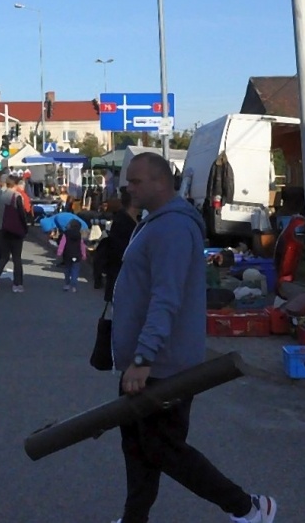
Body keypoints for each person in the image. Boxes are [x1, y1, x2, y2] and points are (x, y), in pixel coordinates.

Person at [110, 152, 276, 523]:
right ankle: (134, 519)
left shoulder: (171, 228)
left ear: (159, 181)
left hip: (162, 364)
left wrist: (143, 358)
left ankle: (249, 507)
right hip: (147, 359)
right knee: (138, 447)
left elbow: (166, 297)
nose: (128, 187)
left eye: (136, 181)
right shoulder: (156, 223)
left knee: (164, 448)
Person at [0, 174, 32, 294]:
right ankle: (17, 284)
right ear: (16, 184)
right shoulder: (16, 196)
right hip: (16, 230)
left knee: (4, 257)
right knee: (17, 258)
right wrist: (25, 229)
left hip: (3, 229)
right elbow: (21, 215)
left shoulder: (1, 196)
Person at [95, 188, 137, 301]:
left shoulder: (124, 220)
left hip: (122, 281)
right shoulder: (123, 222)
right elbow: (121, 253)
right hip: (123, 282)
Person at [58, 218, 87, 292]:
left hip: (67, 254)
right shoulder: (79, 235)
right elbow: (82, 245)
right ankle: (74, 286)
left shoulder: (66, 233)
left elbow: (62, 243)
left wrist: (59, 252)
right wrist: (84, 254)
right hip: (77, 255)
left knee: (67, 269)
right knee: (75, 270)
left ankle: (67, 284)